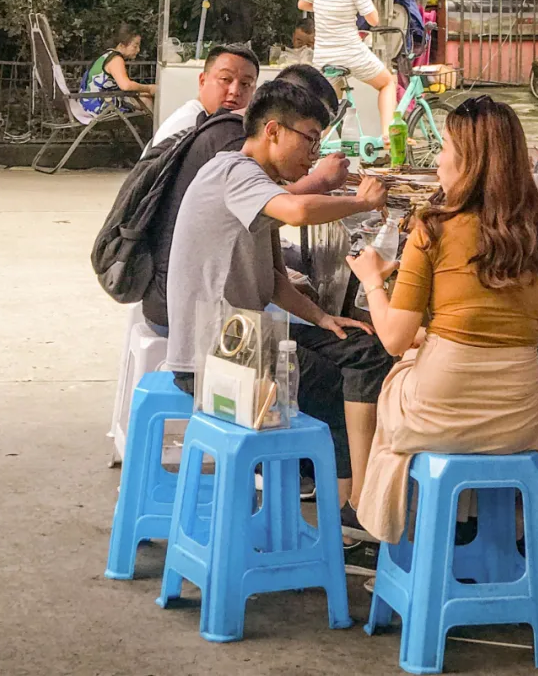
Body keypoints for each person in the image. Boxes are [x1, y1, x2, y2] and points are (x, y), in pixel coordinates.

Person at [350, 96, 538, 605]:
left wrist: (372, 281)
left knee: (389, 387)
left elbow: (395, 338)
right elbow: (522, 336)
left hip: (439, 412)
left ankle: (400, 547)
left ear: (468, 159)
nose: (438, 159)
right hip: (513, 416)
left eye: (444, 148)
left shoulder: (432, 226)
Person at [164, 79, 394, 532]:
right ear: (273, 131)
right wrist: (357, 201)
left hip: (246, 339)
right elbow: (299, 212)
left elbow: (271, 280)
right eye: (309, 139)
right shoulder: (234, 172)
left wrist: (323, 318)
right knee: (339, 390)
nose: (313, 153)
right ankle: (351, 516)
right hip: (215, 356)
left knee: (366, 350)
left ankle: (353, 502)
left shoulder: (258, 183)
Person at [140, 62, 348, 334]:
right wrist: (322, 182)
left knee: (311, 292)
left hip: (210, 299)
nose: (313, 151)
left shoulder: (247, 138)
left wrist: (292, 294)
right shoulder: (234, 145)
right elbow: (289, 210)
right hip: (188, 313)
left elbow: (266, 230)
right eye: (310, 135)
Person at [298, 0, 395, 141]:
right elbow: (374, 20)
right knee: (387, 83)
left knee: (328, 110)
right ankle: (387, 134)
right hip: (352, 53)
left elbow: (302, 4)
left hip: (325, 58)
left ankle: (314, 146)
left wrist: (325, 9)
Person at [146, 44, 259, 154]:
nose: (234, 91)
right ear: (202, 81)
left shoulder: (223, 126)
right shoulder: (188, 126)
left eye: (245, 84)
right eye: (225, 79)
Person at [80, 23, 156, 114]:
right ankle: (155, 128)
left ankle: (147, 127)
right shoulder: (116, 59)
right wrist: (149, 88)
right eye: (135, 46)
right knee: (146, 101)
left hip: (89, 101)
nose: (138, 50)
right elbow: (126, 86)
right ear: (121, 45)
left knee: (145, 97)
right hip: (98, 104)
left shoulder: (107, 55)